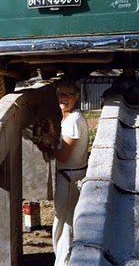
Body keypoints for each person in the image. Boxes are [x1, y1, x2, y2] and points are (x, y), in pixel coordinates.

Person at [38, 78, 89, 265]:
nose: (64, 98)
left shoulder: (74, 120)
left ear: (77, 97)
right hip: (68, 176)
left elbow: (64, 156)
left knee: (66, 225)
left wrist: (48, 147)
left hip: (69, 179)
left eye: (69, 95)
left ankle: (64, 262)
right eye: (61, 94)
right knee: (63, 223)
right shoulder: (69, 118)